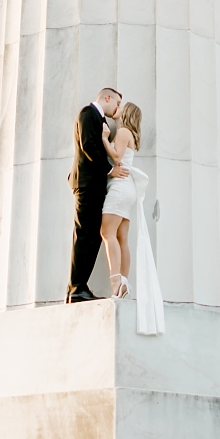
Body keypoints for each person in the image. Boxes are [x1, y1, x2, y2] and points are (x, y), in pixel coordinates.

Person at [66, 87, 125, 303]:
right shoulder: (87, 114)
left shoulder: (101, 120)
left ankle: (80, 287)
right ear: (107, 98)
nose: (117, 108)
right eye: (117, 103)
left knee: (91, 237)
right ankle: (76, 289)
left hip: (94, 186)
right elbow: (88, 145)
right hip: (87, 185)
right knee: (84, 236)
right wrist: (111, 170)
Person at [100, 102, 141, 297]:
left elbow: (116, 157)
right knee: (121, 238)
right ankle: (123, 282)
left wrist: (105, 139)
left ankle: (116, 281)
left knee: (107, 232)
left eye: (122, 106)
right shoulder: (127, 132)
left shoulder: (123, 132)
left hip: (120, 188)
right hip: (127, 189)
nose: (119, 106)